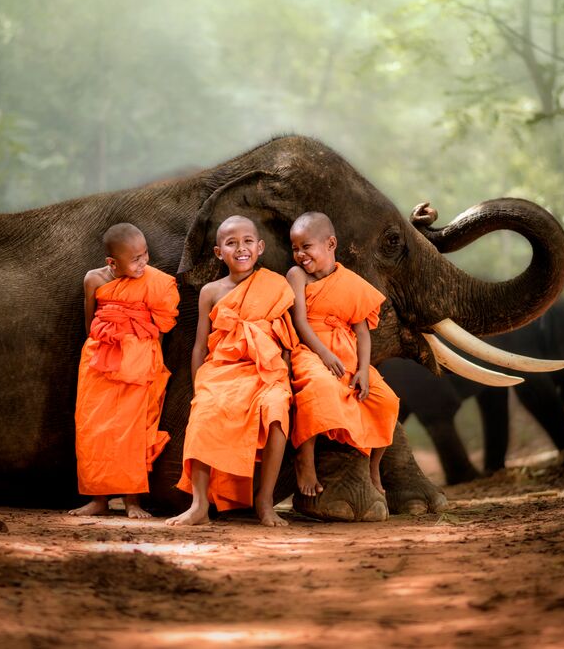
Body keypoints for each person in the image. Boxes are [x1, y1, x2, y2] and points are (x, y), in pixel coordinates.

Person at [166, 216, 295, 527]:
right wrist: (200, 386)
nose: (241, 248)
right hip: (221, 369)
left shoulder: (275, 285)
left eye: (248, 241)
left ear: (260, 247)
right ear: (217, 252)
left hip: (265, 370)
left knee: (277, 408)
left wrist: (284, 377)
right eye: (231, 243)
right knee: (205, 411)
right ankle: (199, 505)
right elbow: (200, 345)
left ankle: (264, 502)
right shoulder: (210, 291)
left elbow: (287, 339)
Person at [69, 223, 179, 518]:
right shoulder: (93, 279)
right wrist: (100, 348)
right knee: (94, 428)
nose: (143, 263)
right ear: (112, 263)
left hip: (139, 361)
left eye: (145, 255)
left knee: (134, 430)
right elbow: (90, 321)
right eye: (135, 259)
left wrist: (152, 361)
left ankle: (133, 502)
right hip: (99, 359)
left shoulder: (154, 281)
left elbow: (162, 325)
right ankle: (98, 500)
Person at [287, 211, 399, 498]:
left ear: (330, 243)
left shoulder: (350, 281)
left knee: (386, 400)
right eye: (295, 248)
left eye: (306, 246)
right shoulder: (297, 275)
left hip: (346, 354)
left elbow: (361, 331)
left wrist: (363, 370)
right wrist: (323, 355)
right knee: (319, 388)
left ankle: (373, 466)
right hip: (311, 350)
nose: (300, 254)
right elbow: (300, 322)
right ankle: (305, 460)